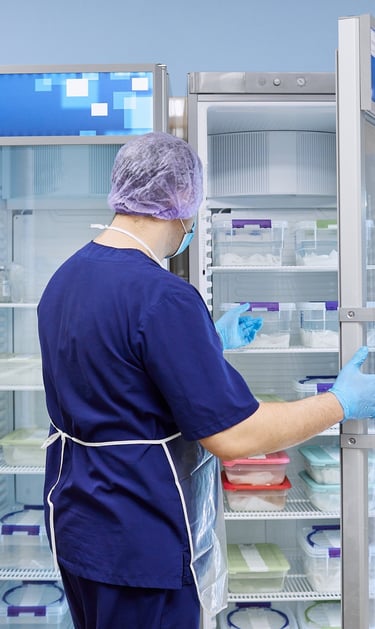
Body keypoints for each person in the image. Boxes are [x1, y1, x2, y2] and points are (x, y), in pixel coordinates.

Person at [37, 131, 375, 629]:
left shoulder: (68, 275)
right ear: (181, 206)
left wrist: (205, 344)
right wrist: (341, 401)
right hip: (139, 534)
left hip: (76, 520)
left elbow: (115, 369)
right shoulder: (163, 295)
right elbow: (236, 436)